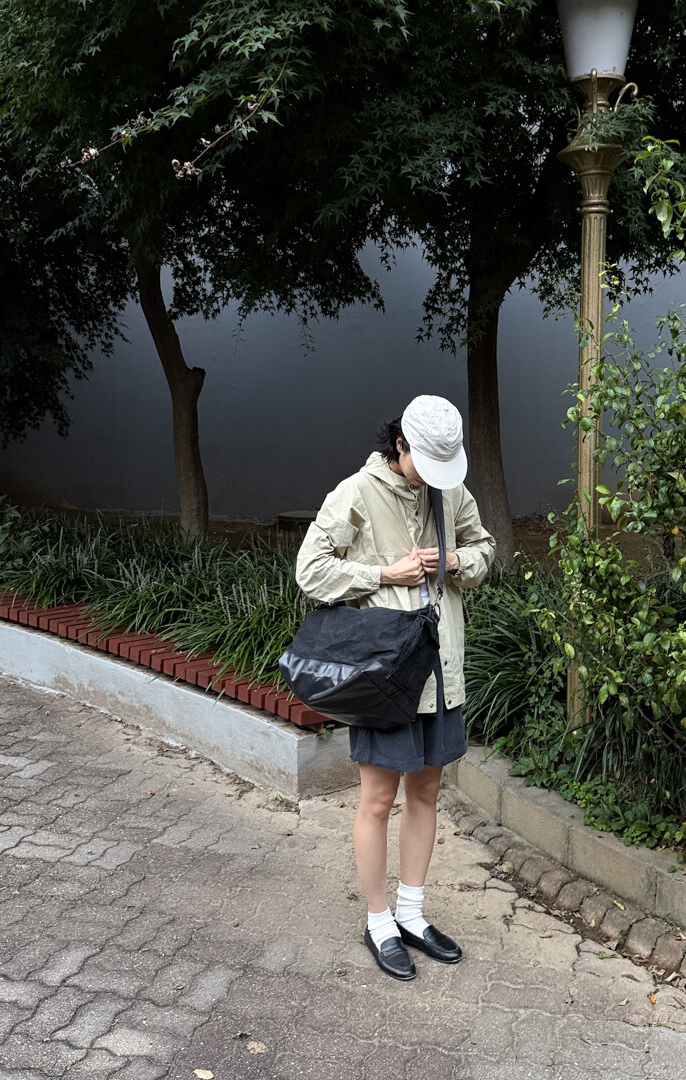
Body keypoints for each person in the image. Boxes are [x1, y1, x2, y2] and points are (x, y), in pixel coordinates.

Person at [295, 395, 495, 981]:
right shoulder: (357, 492)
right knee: (378, 799)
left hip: (440, 669)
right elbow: (310, 570)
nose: (430, 477)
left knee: (427, 792)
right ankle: (379, 921)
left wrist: (453, 562)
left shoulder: (450, 492)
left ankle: (412, 912)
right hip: (385, 677)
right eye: (422, 463)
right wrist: (384, 573)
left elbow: (484, 549)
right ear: (400, 444)